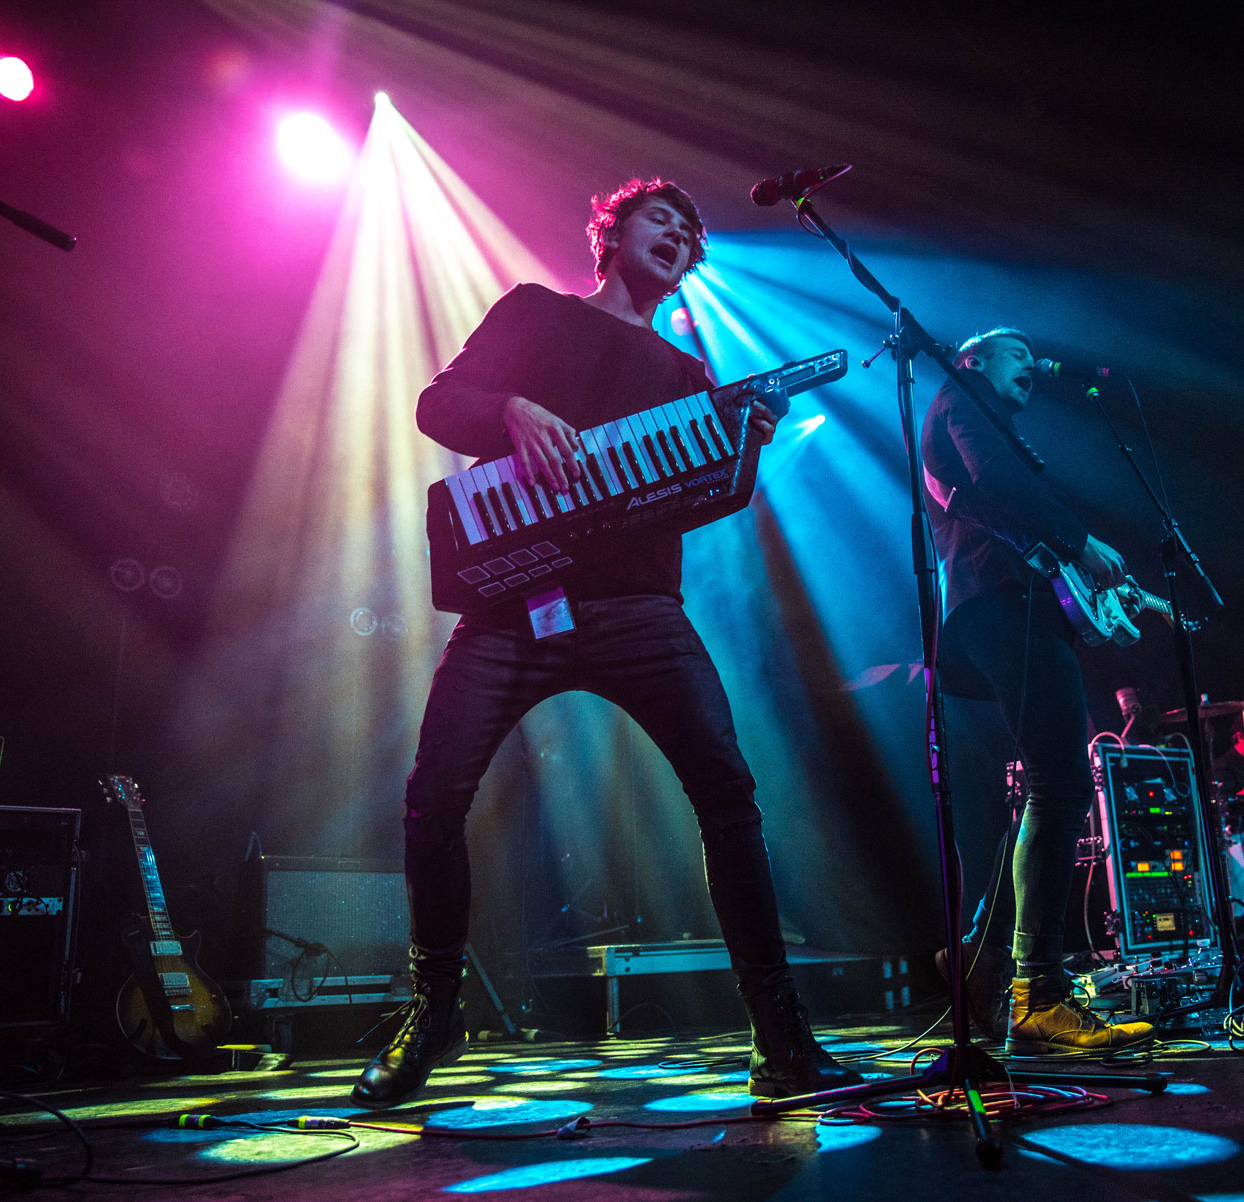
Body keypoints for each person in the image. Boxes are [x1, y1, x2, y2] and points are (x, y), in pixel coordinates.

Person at [353, 179, 859, 1106]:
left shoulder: (686, 373)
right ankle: (433, 1011)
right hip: (513, 606)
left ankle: (779, 1029)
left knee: (729, 794)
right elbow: (438, 404)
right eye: (660, 217)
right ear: (612, 229)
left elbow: (715, 498)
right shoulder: (536, 311)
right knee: (433, 798)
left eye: (690, 230)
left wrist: (746, 444)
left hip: (636, 610)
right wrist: (507, 407)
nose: (678, 233)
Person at [921, 327, 1154, 1054]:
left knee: (1045, 792)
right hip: (1001, 606)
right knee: (1061, 786)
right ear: (973, 360)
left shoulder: (972, 413)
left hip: (1002, 610)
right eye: (1012, 351)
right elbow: (998, 482)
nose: (1029, 361)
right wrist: (1081, 542)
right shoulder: (962, 396)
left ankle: (983, 960)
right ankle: (1040, 993)